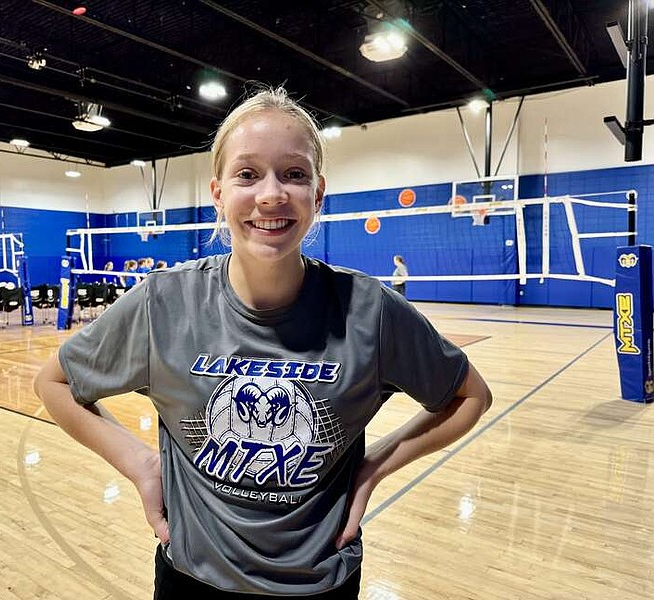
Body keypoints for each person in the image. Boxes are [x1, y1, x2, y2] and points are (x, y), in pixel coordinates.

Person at [34, 86, 492, 599]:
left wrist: (371, 472)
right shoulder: (163, 304)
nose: (271, 195)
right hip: (192, 577)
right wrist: (142, 466)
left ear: (318, 195)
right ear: (218, 193)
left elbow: (468, 395)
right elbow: (54, 382)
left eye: (294, 174)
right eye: (247, 174)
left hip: (320, 582)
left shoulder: (370, 310)